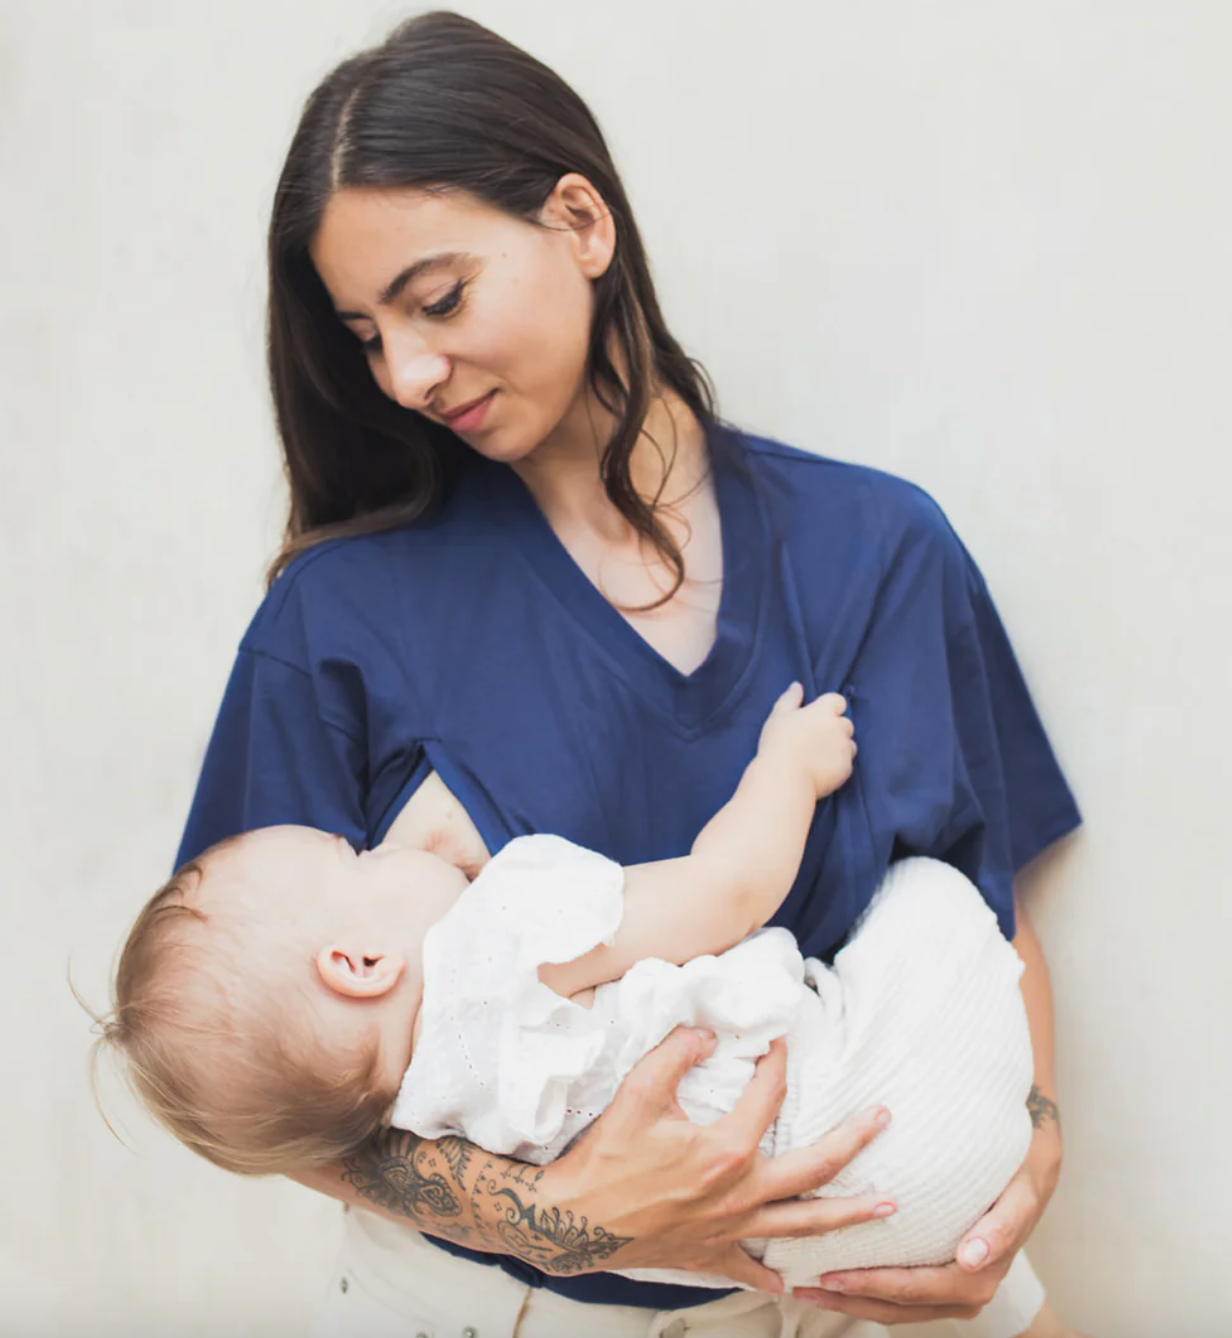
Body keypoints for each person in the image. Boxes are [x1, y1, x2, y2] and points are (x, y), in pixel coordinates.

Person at [173, 10, 1083, 1336]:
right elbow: (257, 1076)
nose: (409, 372)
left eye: (438, 300)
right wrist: (561, 1211)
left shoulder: (880, 549)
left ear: (583, 222)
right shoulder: (339, 616)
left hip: (855, 1290)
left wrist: (1022, 1149)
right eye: (368, 334)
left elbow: (981, 905)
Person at [105, 685, 1039, 1329]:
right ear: (357, 962)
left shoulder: (421, 1114)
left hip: (810, 1254)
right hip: (874, 1131)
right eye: (357, 857)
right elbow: (727, 892)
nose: (380, 848)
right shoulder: (498, 937)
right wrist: (785, 770)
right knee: (929, 897)